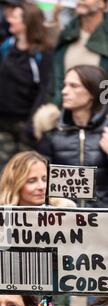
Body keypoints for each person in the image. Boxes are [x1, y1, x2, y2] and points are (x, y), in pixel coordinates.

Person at [0, 151, 75, 306]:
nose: (41, 186)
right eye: (32, 180)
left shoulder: (66, 216)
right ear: (16, 184)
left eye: (45, 179)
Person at [0, 2, 53, 201]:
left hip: (27, 128)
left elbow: (44, 91)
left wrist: (32, 125)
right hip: (0, 123)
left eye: (15, 16)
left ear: (28, 22)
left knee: (26, 179)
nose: (10, 20)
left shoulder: (43, 53)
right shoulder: (6, 47)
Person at [37, 64, 108, 208]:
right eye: (64, 85)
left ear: (93, 92)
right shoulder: (51, 132)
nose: (64, 91)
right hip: (63, 224)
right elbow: (39, 185)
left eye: (74, 86)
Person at [52, 0, 108, 106]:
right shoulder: (66, 35)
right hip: (65, 116)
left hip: (100, 116)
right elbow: (54, 81)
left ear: (103, 4)